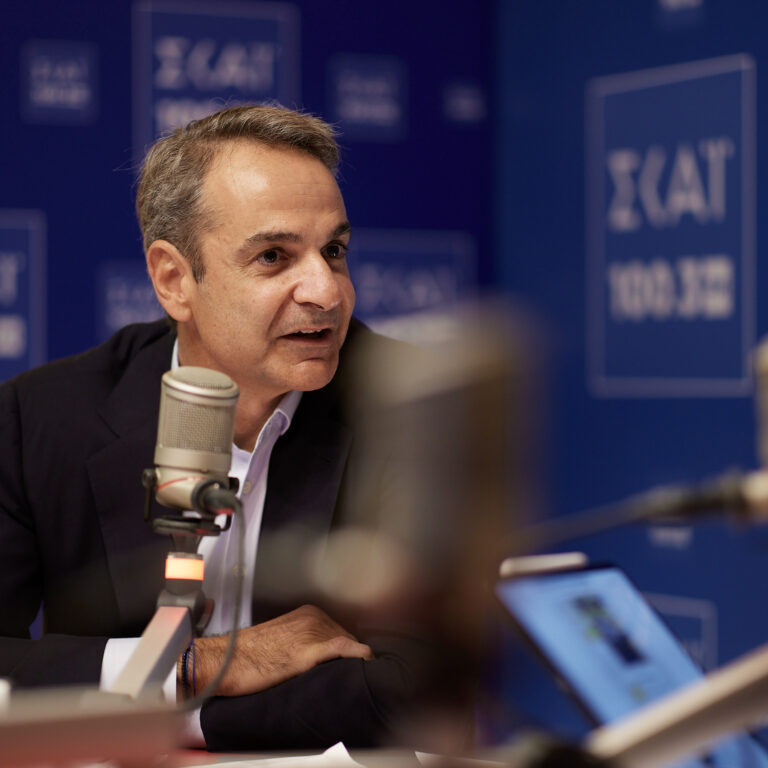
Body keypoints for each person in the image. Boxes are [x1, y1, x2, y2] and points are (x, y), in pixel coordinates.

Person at [0, 104, 467, 750]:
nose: (327, 292)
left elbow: (414, 688)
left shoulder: (407, 410)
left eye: (334, 251)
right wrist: (196, 666)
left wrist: (158, 709)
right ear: (174, 280)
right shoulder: (41, 417)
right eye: (274, 256)